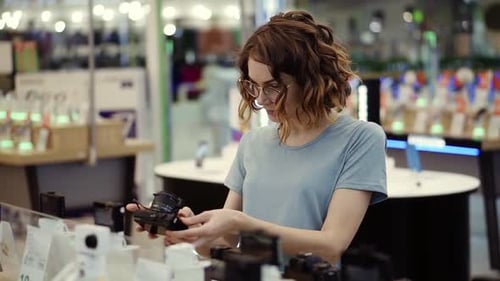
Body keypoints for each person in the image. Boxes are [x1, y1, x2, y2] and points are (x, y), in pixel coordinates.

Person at [127, 10, 387, 265]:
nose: (261, 100)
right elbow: (225, 245)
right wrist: (192, 235)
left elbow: (332, 245)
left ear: (310, 80)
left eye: (273, 86)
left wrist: (243, 223)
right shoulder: (254, 143)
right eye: (254, 86)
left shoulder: (361, 139)